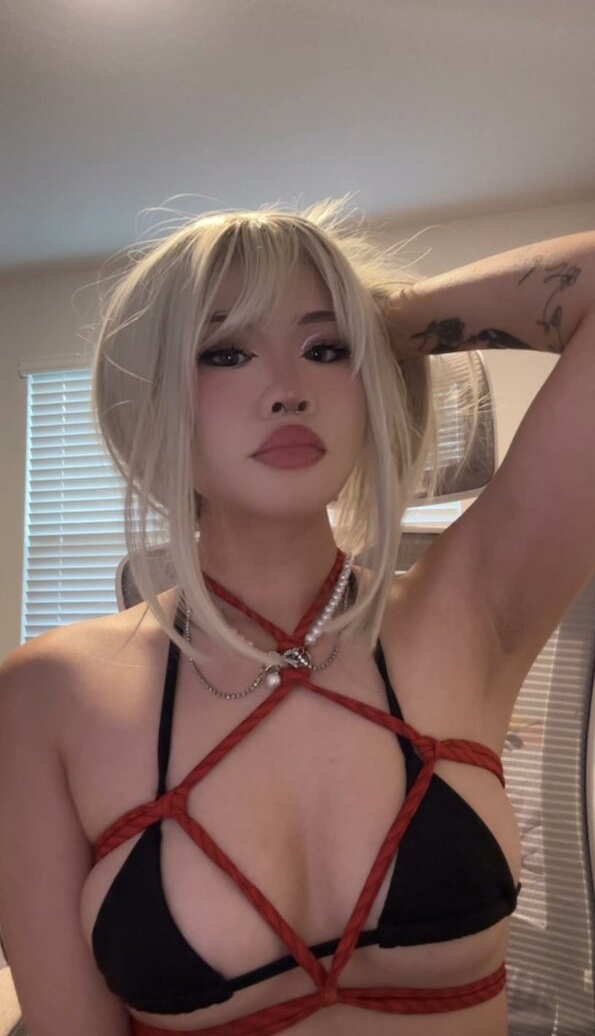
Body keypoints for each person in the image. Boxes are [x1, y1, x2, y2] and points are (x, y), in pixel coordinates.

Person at [0, 198, 522, 1036]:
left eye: (325, 350)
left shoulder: (468, 611)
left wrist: (380, 318)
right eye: (225, 353)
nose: (287, 391)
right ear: (150, 398)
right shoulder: (46, 694)